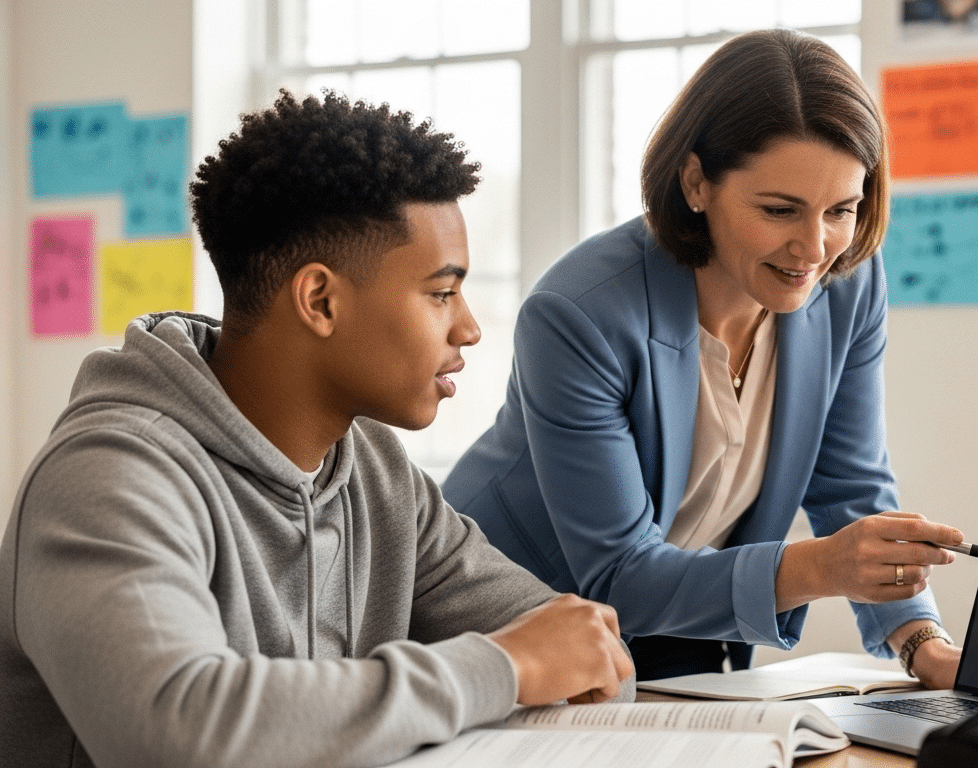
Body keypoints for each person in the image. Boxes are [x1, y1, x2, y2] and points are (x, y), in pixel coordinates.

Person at [0, 91, 633, 768]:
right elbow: (175, 731)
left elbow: (578, 653)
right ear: (320, 300)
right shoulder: (107, 476)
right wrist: (501, 667)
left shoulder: (376, 473)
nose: (469, 328)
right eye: (441, 293)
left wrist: (559, 656)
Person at [441, 29, 966, 687]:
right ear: (696, 182)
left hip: (680, 618)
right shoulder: (580, 312)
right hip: (520, 623)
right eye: (780, 209)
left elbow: (851, 488)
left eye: (842, 209)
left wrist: (923, 643)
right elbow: (617, 572)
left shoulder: (848, 284)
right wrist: (819, 567)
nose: (815, 248)